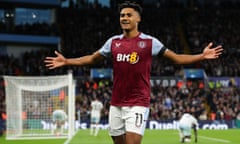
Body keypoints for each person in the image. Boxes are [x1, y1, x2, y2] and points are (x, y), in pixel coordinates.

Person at [45, 1, 223, 144]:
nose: (124, 18)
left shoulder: (149, 42)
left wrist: (201, 56)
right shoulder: (113, 43)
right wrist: (67, 60)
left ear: (138, 19)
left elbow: (176, 58)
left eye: (129, 15)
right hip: (116, 103)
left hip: (138, 102)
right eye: (122, 15)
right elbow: (92, 59)